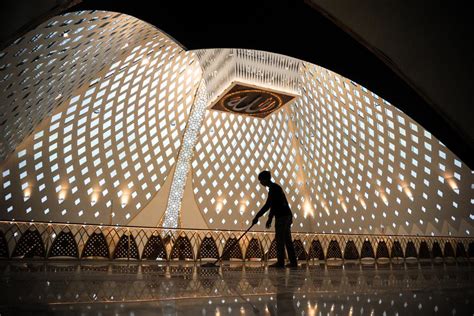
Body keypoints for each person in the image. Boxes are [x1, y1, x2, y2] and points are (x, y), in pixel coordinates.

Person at [252, 170, 297, 268]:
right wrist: (267, 218)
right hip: (286, 215)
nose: (260, 183)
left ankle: (281, 262)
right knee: (287, 239)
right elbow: (272, 205)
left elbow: (270, 205)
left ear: (265, 179)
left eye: (261, 180)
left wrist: (258, 216)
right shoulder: (275, 188)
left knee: (280, 239)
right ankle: (293, 262)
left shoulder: (274, 188)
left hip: (282, 217)